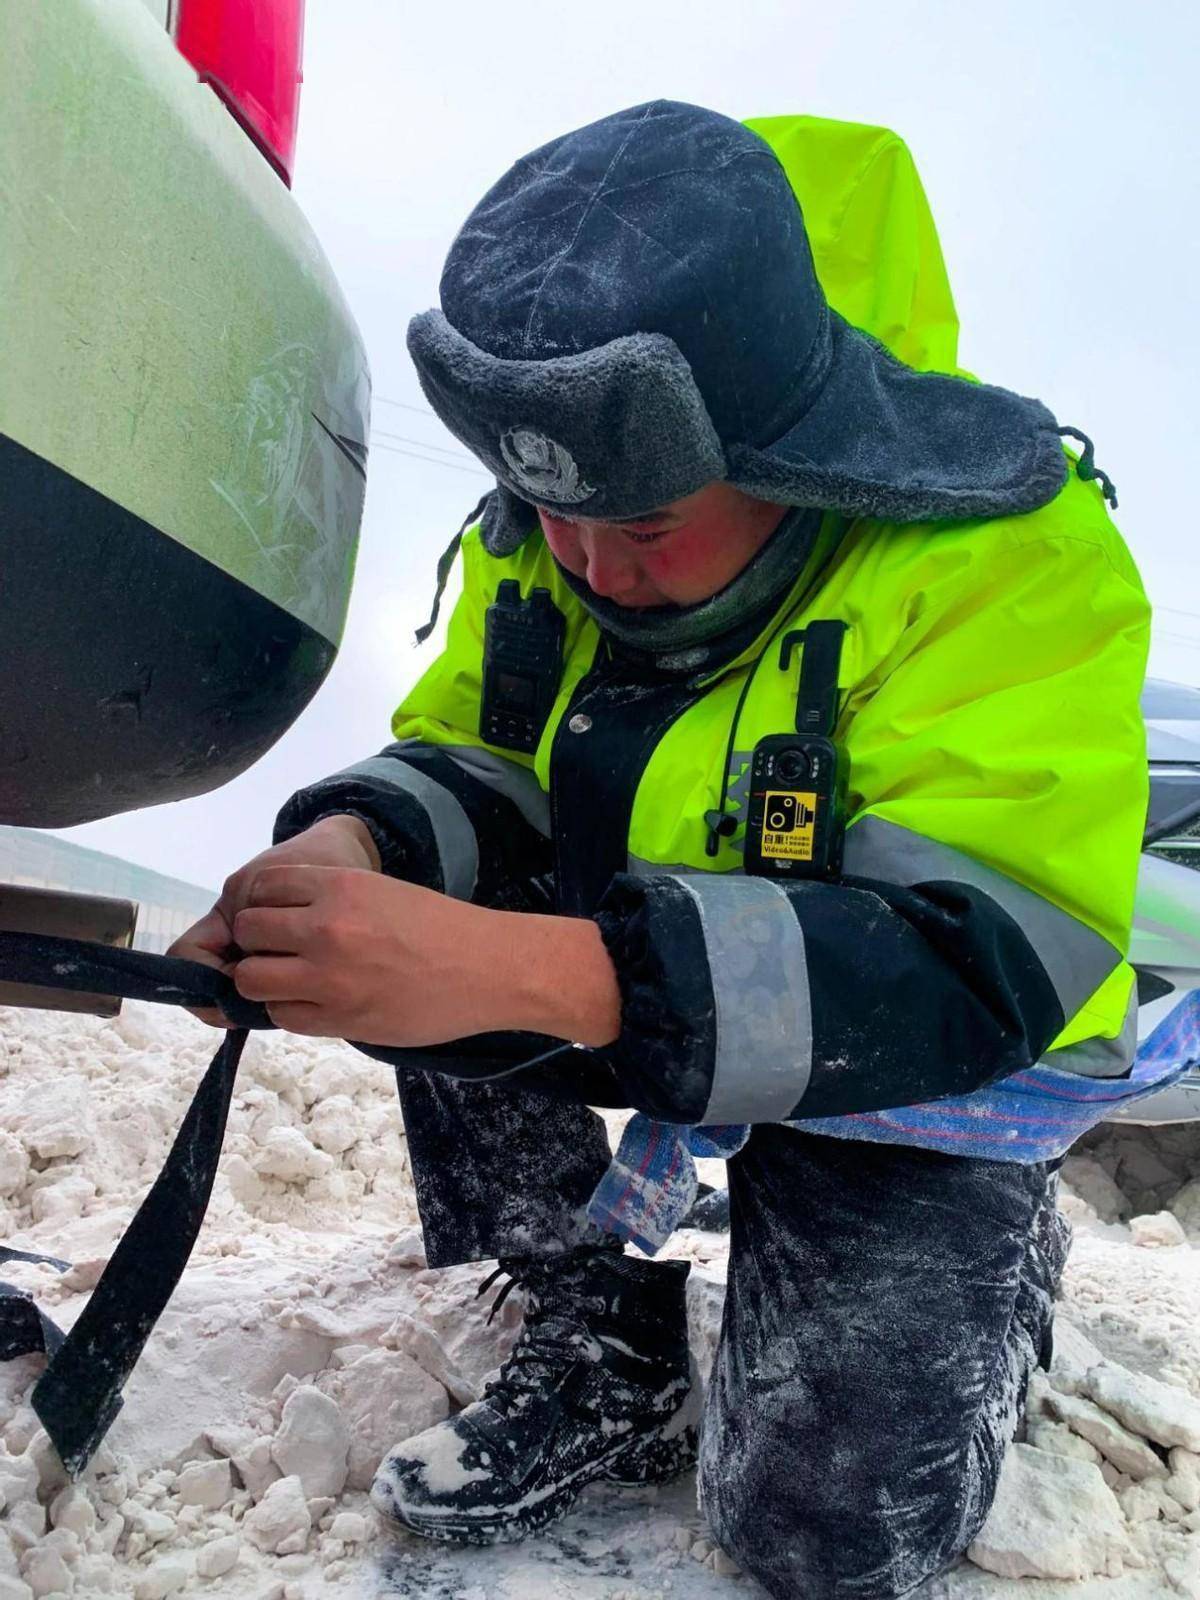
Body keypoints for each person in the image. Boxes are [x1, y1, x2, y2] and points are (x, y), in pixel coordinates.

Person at [172, 103, 1167, 1598]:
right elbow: (481, 754)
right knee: (418, 913)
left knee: (823, 1541)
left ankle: (992, 1259)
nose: (587, 566)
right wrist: (351, 851)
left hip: (933, 1057)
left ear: (793, 452)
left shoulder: (1011, 558)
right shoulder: (563, 514)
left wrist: (545, 972)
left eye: (642, 524)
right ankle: (601, 1329)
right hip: (658, 980)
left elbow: (982, 954)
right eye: (556, 517)